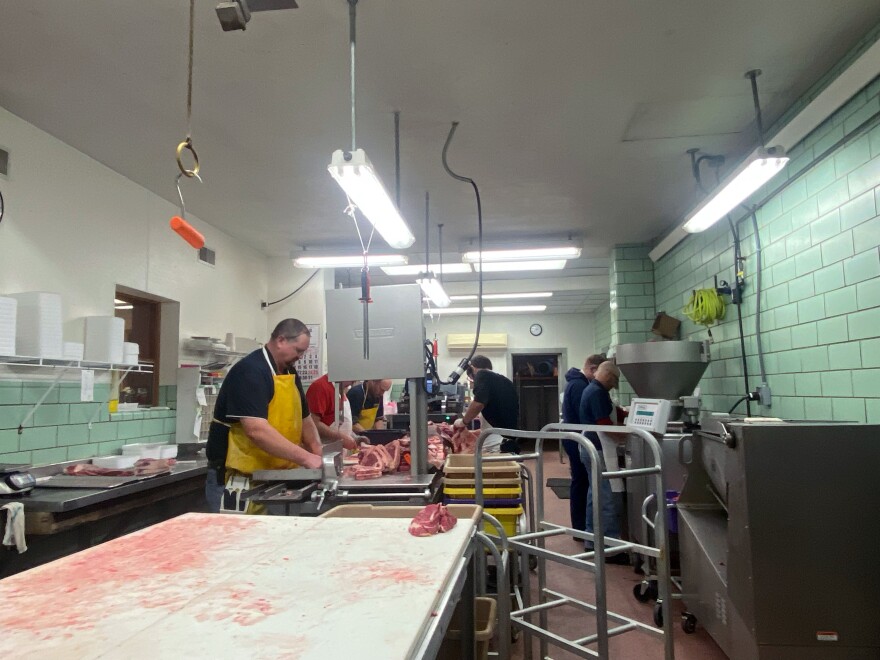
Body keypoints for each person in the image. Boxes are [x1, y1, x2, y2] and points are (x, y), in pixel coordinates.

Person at [205, 319, 323, 513]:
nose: (300, 357)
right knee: (239, 541)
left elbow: (306, 420)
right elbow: (256, 430)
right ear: (281, 340)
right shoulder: (251, 371)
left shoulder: (289, 372)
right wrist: (307, 458)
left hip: (274, 478)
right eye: (298, 351)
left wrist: (318, 453)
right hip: (239, 482)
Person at [578, 360, 628, 561]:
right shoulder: (597, 392)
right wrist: (624, 437)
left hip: (589, 446)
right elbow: (604, 423)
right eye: (614, 382)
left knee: (595, 494)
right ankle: (609, 546)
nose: (613, 386)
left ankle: (592, 539)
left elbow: (612, 412)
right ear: (609, 376)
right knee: (606, 496)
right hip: (598, 448)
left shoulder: (593, 389)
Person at [561, 354, 606, 533]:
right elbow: (584, 415)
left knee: (580, 481)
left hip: (574, 437)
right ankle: (580, 527)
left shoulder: (577, 382)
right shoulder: (580, 385)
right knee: (581, 483)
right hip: (577, 439)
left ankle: (581, 526)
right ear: (593, 369)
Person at [454, 355, 519, 453]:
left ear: (472, 368)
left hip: (496, 445)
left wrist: (463, 422)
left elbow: (478, 404)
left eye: (472, 379)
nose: (474, 382)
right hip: (507, 441)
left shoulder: (482, 374)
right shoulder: (506, 382)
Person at [305, 374, 365, 450]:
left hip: (339, 452)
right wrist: (340, 438)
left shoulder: (340, 388)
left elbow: (341, 424)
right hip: (323, 452)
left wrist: (355, 438)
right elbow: (313, 423)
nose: (355, 381)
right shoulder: (320, 387)